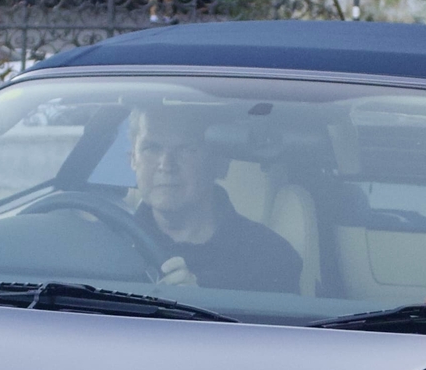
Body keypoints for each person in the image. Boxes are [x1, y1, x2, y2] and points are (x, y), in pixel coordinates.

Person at [127, 105, 303, 293]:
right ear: (133, 160)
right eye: (151, 148)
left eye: (186, 148)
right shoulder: (108, 241)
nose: (166, 164)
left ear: (220, 163)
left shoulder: (270, 257)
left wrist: (202, 305)